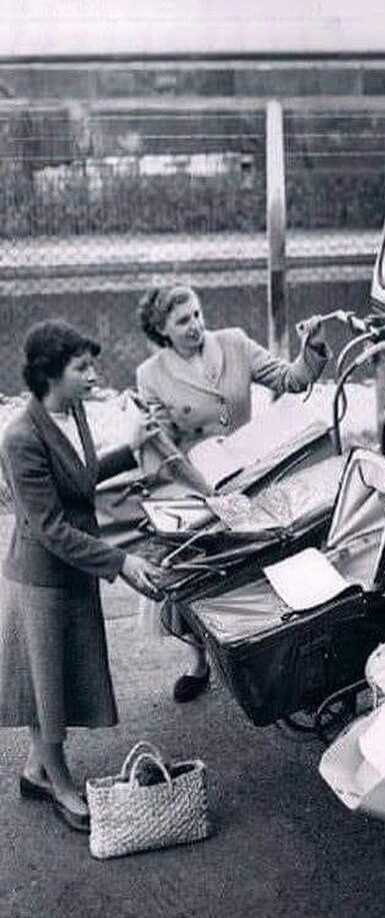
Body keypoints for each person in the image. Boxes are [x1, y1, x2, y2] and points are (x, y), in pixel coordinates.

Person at [0, 321, 161, 833]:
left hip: (76, 567)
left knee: (53, 678)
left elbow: (81, 477)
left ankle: (34, 770)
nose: (94, 375)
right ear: (49, 374)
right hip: (44, 576)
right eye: (82, 368)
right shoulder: (21, 438)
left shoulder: (74, 412)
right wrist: (123, 562)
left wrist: (132, 447)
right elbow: (48, 528)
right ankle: (59, 783)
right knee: (47, 684)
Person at [134, 284, 329, 702]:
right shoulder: (150, 374)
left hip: (253, 470)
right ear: (161, 329)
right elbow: (162, 446)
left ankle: (269, 648)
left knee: (265, 560)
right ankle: (199, 660)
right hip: (198, 481)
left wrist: (309, 349)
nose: (196, 326)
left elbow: (289, 379)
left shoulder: (234, 342)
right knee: (195, 571)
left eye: (198, 314)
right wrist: (152, 438)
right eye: (183, 320)